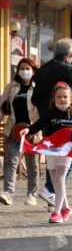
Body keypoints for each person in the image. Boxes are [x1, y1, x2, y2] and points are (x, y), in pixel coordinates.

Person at [20, 84, 72, 223]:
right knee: (56, 181)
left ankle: (57, 213)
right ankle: (66, 208)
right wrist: (28, 130)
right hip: (51, 150)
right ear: (54, 99)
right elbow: (39, 124)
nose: (62, 99)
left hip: (66, 151)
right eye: (59, 97)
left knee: (60, 179)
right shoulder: (50, 113)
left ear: (71, 99)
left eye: (65, 96)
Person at [31, 39, 72, 206]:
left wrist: (46, 112)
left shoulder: (42, 69)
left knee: (53, 156)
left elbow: (35, 97)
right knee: (71, 158)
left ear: (54, 52)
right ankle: (50, 189)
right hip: (66, 120)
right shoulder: (71, 69)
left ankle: (53, 194)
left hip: (47, 120)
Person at [1, 58, 39, 206]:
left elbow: (42, 109)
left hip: (32, 130)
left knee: (33, 164)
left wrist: (37, 128)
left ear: (33, 70)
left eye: (27, 68)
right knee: (11, 161)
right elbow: (2, 102)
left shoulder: (38, 87)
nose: (24, 71)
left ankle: (32, 194)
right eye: (21, 68)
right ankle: (8, 193)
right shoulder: (12, 86)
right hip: (14, 129)